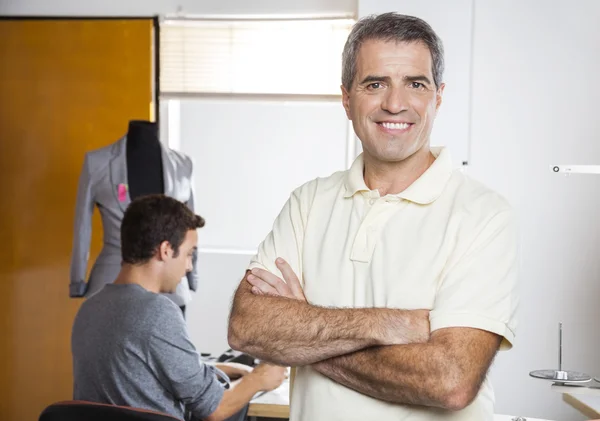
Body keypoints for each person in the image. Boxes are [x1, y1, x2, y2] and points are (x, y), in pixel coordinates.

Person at [228, 12, 518, 421]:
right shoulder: (308, 202)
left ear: (438, 96)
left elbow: (450, 381)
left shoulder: (484, 215)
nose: (394, 104)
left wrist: (306, 340)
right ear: (347, 99)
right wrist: (389, 324)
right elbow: (248, 327)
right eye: (375, 83)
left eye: (415, 84)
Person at [72, 195, 287, 421]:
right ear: (165, 250)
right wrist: (259, 378)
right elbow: (214, 409)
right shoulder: (156, 312)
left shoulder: (89, 309)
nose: (188, 266)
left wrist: (212, 368)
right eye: (189, 253)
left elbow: (136, 371)